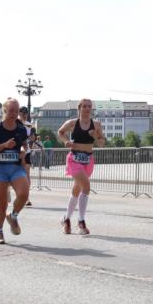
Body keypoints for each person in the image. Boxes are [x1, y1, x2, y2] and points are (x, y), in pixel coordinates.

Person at [57, 98, 105, 235]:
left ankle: (66, 219)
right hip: (74, 159)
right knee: (86, 186)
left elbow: (102, 143)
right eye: (84, 106)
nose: (87, 108)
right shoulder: (72, 123)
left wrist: (97, 137)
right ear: (79, 108)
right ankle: (81, 221)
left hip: (88, 160)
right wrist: (66, 141)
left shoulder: (96, 125)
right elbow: (60, 132)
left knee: (77, 190)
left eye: (89, 106)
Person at [0, 98, 30, 244]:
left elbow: (25, 145)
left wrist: (24, 151)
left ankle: (13, 216)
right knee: (2, 205)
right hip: (0, 168)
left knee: (24, 194)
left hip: (16, 167)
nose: (14, 114)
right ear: (5, 110)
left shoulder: (21, 129)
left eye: (16, 111)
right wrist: (4, 145)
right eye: (11, 111)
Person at [18, 107, 37, 207]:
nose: (24, 115)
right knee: (12, 173)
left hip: (26, 151)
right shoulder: (15, 122)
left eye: (26, 113)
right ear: (19, 113)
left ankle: (27, 198)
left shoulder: (29, 124)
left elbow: (32, 137)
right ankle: (8, 190)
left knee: (26, 175)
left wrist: (32, 139)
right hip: (16, 151)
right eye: (22, 113)